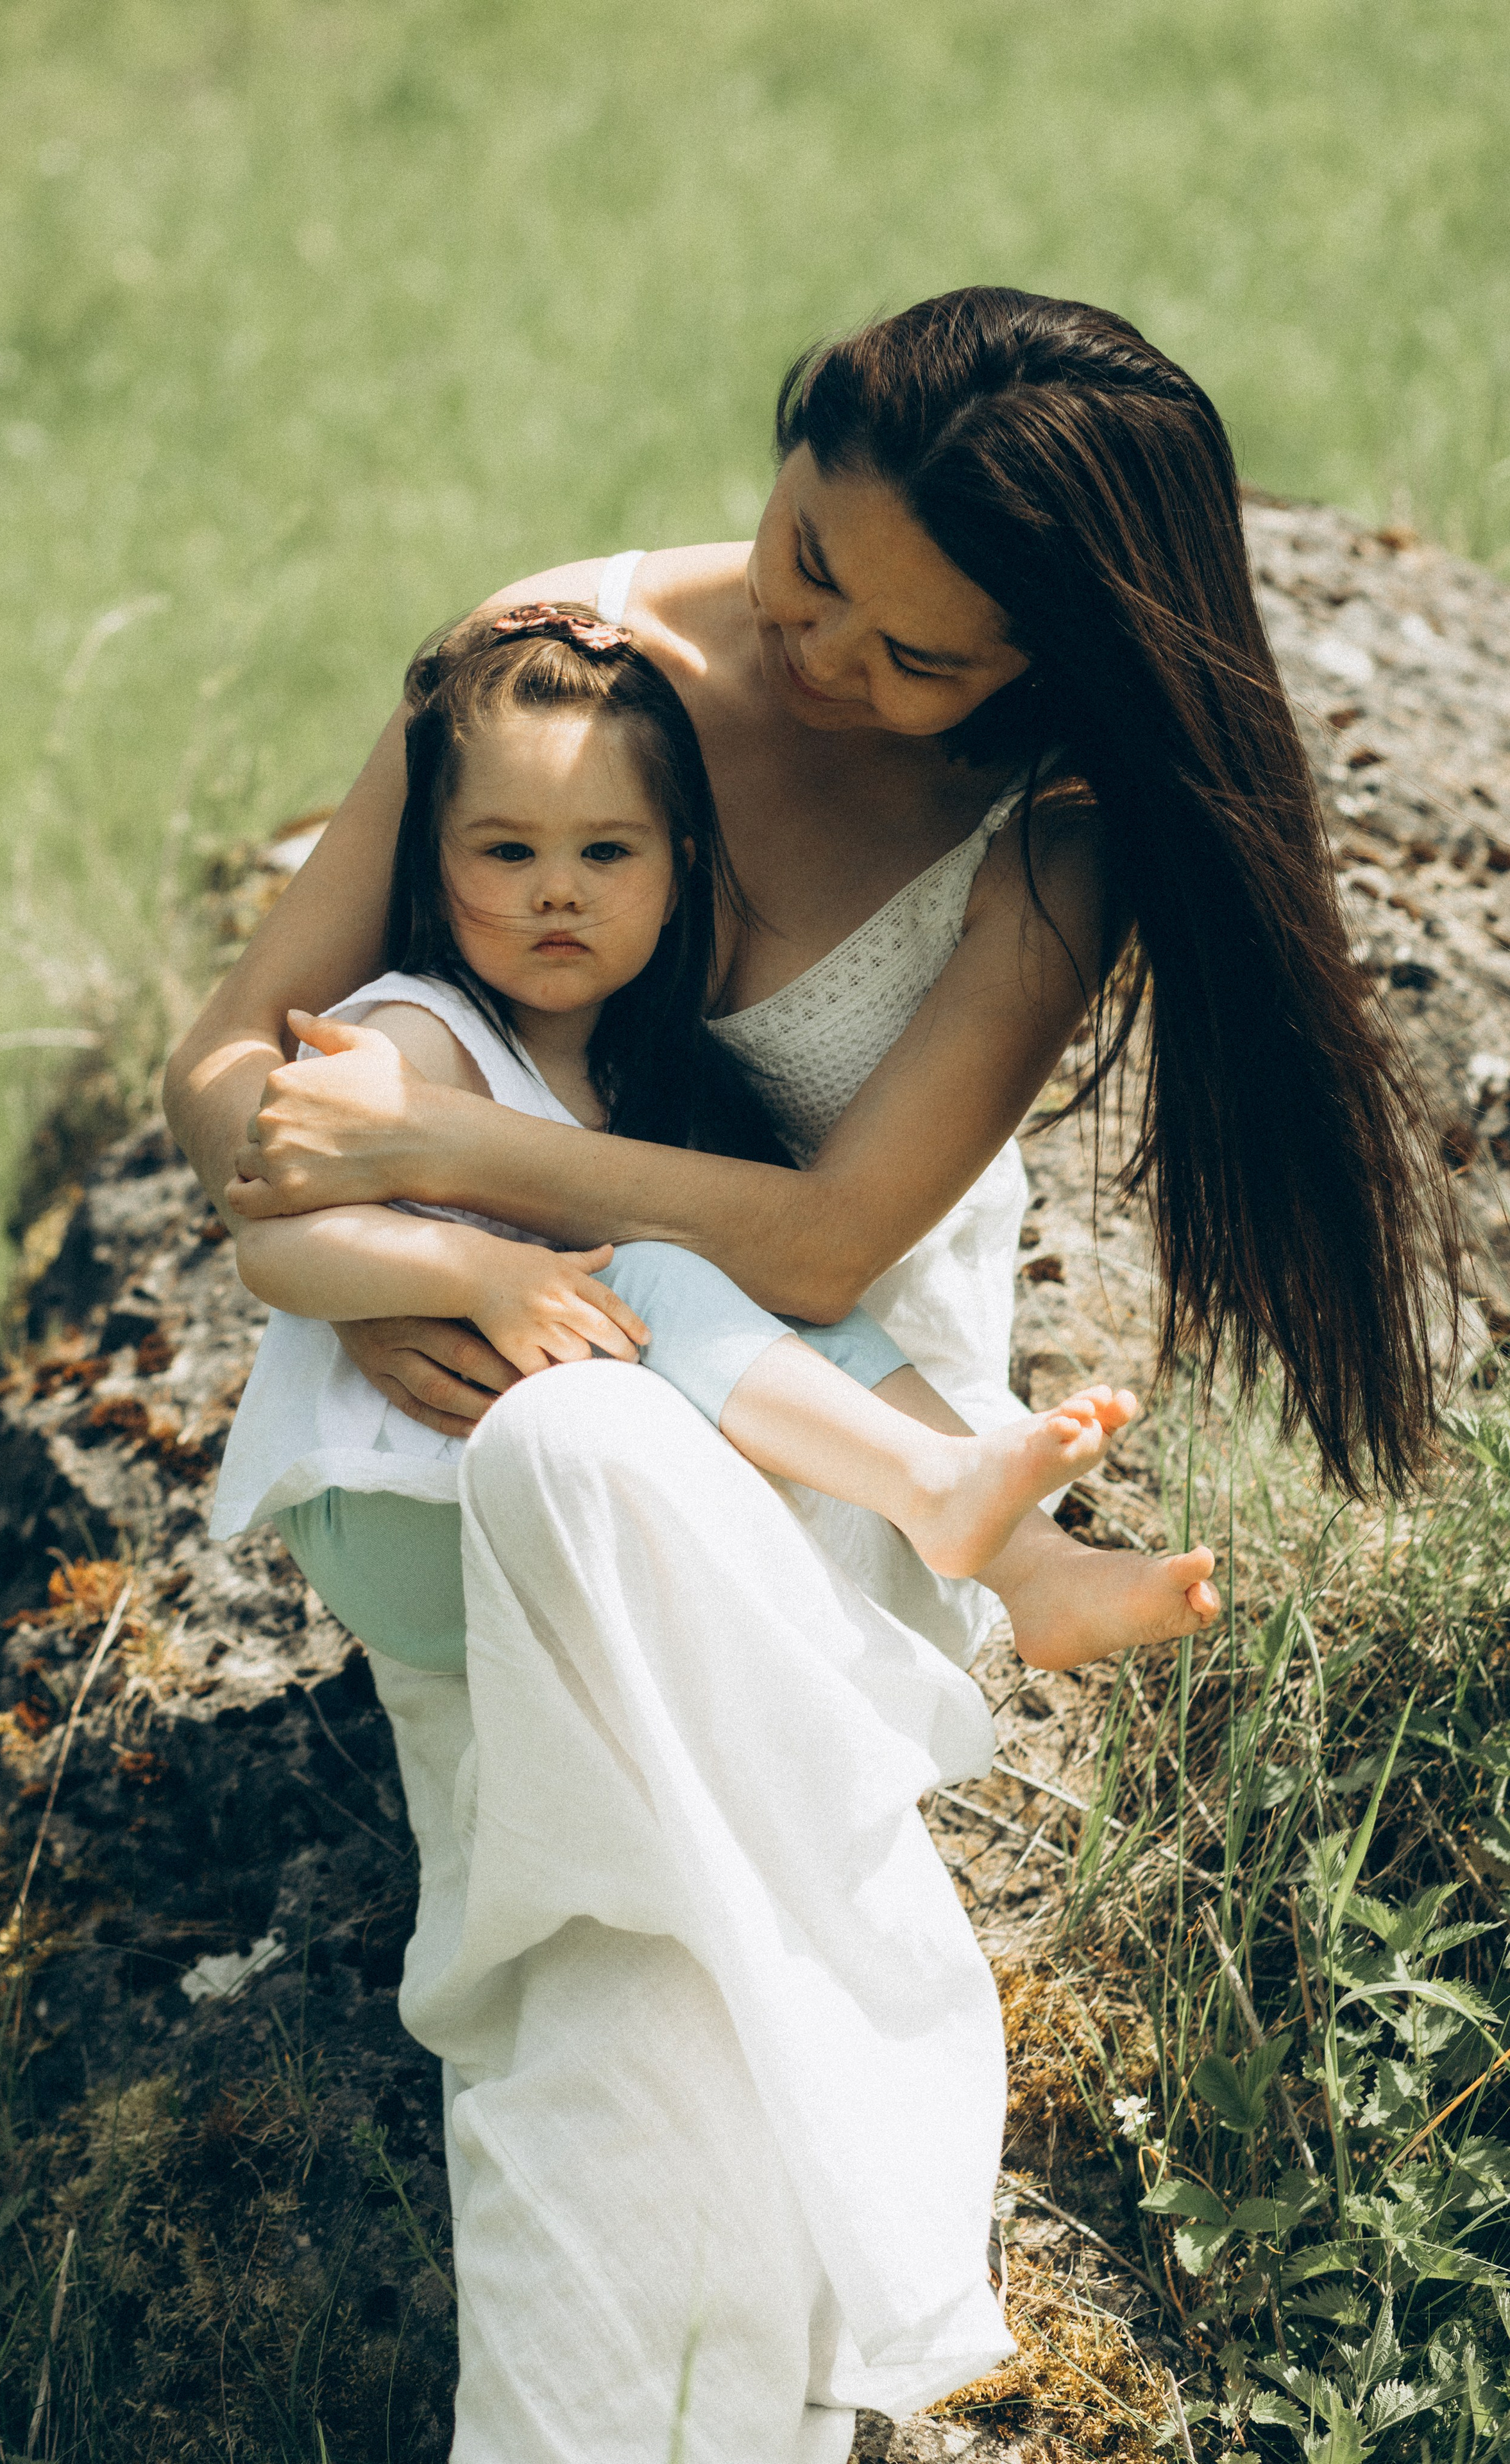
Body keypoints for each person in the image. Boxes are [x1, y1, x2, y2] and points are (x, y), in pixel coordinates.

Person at [167, 289, 1452, 2461]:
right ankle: (881, 2136)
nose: (826, 658)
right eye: (808, 564)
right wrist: (384, 1263)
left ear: (1046, 665)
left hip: (826, 1418)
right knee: (580, 1488)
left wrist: (449, 1161)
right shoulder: (549, 676)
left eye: (917, 655)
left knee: (594, 1935)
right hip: (490, 1380)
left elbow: (834, 1237)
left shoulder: (1052, 828)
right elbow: (237, 1070)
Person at [212, 601, 1205, 1632]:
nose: (558, 891)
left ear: (681, 869)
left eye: (606, 853)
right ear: (434, 865)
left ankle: (1033, 1568)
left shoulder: (645, 1075)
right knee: (648, 1271)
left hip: (569, 1491)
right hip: (399, 1509)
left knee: (776, 1293)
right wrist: (479, 1274)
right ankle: (931, 1490)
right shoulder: (412, 1042)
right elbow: (274, 1252)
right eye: (507, 853)